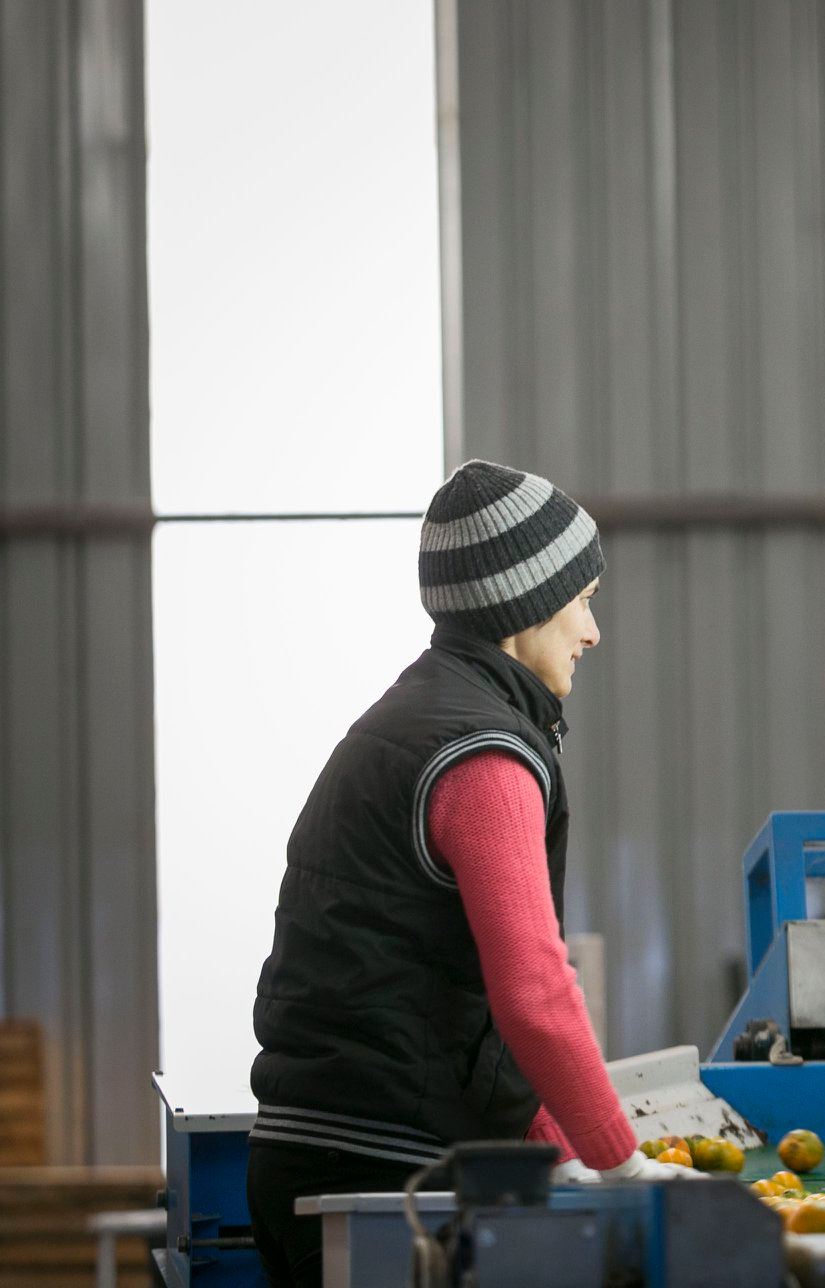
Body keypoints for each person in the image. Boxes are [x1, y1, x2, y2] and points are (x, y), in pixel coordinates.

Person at [246, 461, 689, 1287]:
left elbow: (467, 1002)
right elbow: (534, 995)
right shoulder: (481, 757)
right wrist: (622, 1163)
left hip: (315, 1161)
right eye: (583, 600)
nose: (593, 632)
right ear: (526, 605)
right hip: (382, 1184)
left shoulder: (414, 717)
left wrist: (562, 1152)